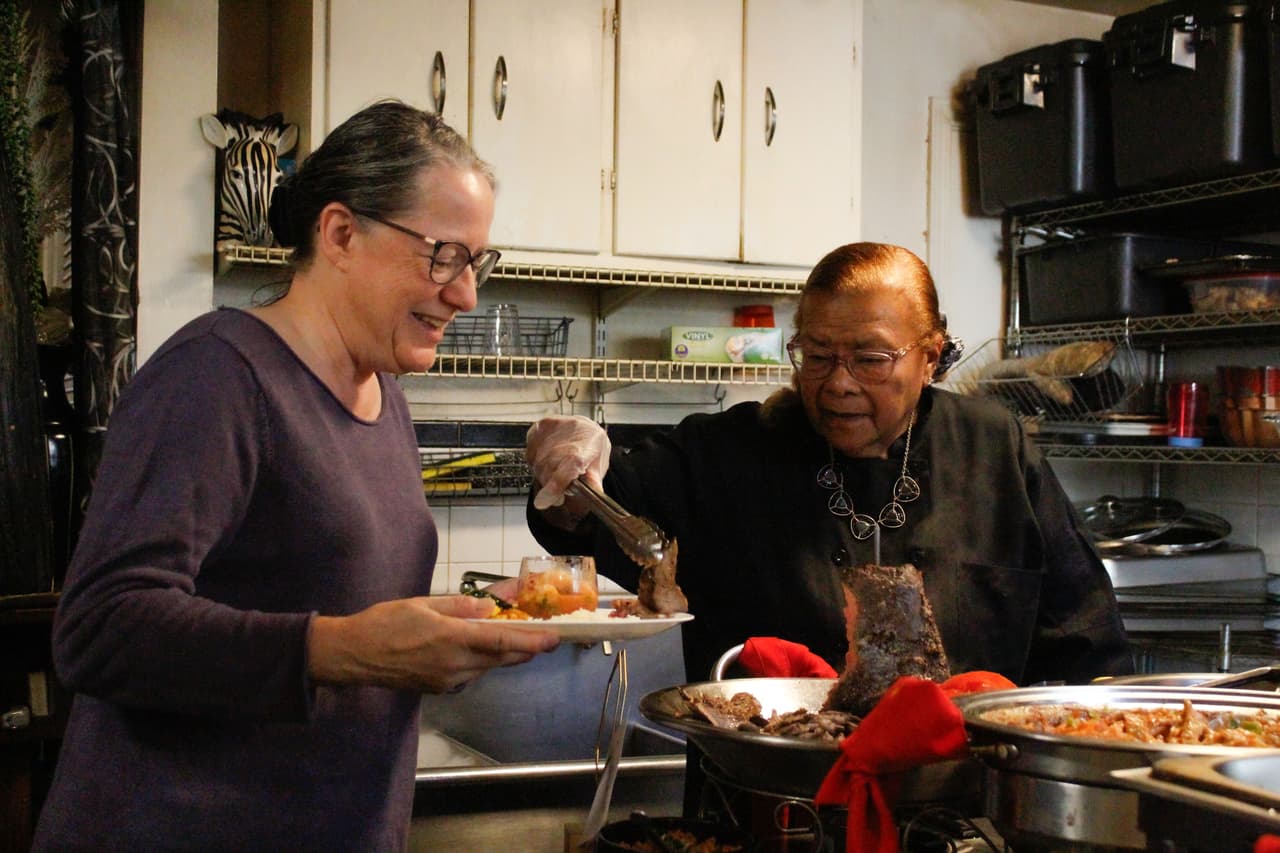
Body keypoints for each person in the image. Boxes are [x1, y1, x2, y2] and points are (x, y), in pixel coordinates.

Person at [33, 101, 559, 852]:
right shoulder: (217, 375)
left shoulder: (384, 396)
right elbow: (99, 627)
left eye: (477, 262)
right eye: (443, 255)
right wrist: (339, 650)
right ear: (340, 233)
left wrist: (463, 625)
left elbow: (337, 600)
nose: (466, 293)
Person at [526, 242, 1132, 688]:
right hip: (770, 789)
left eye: (870, 359)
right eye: (816, 356)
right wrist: (571, 464)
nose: (838, 383)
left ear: (930, 357)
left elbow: (1084, 641)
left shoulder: (995, 448)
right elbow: (592, 512)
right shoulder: (730, 452)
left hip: (964, 792)